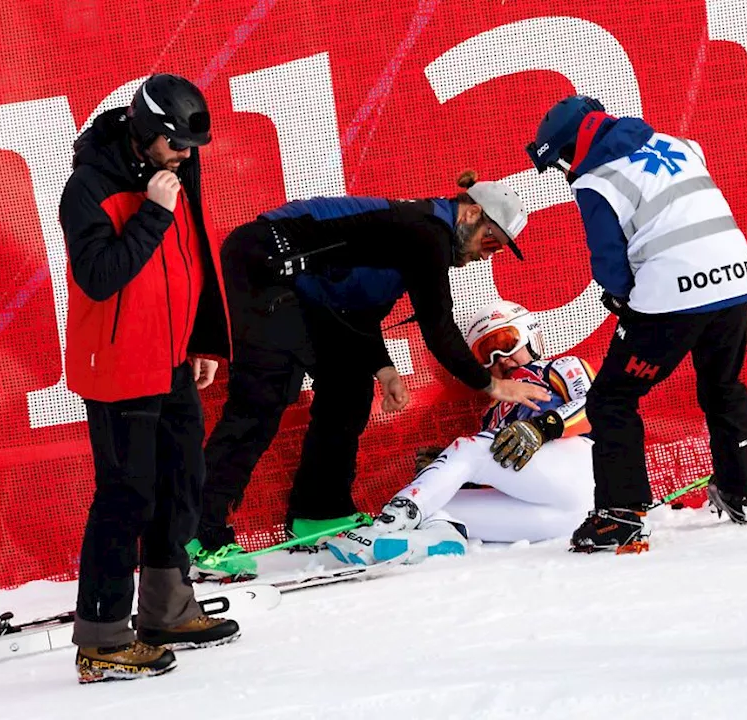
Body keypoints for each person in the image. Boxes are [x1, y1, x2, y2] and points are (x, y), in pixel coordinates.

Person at [186, 173, 552, 580]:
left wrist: (384, 369)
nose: (486, 256)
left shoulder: (416, 232)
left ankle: (318, 511)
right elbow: (438, 327)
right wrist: (494, 385)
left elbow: (355, 313)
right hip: (262, 262)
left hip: (301, 285)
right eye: (490, 242)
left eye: (496, 251)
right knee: (261, 400)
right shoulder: (426, 232)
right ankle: (196, 533)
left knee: (348, 387)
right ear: (470, 212)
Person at [59, 73, 239, 683]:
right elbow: (101, 277)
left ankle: (164, 611)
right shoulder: (87, 186)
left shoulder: (178, 169)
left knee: (183, 482)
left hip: (171, 358)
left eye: (192, 148)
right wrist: (153, 214)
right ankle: (103, 639)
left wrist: (205, 338)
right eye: (176, 146)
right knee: (125, 498)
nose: (186, 158)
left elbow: (198, 250)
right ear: (143, 131)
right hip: (116, 368)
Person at [525, 95, 747, 554]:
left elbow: (610, 263)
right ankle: (740, 492)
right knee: (723, 383)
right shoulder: (680, 143)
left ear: (577, 142)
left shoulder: (597, 180)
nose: (565, 168)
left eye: (562, 157)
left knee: (612, 399)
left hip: (673, 291)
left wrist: (622, 298)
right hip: (736, 277)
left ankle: (619, 515)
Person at [326, 300, 596, 565]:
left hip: (584, 476)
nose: (500, 359)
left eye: (505, 343)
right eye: (486, 354)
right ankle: (438, 539)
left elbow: (597, 408)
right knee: (436, 503)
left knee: (468, 449)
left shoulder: (559, 368)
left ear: (531, 337)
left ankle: (389, 521)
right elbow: (509, 479)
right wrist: (451, 474)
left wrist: (540, 428)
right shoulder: (492, 413)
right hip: (558, 517)